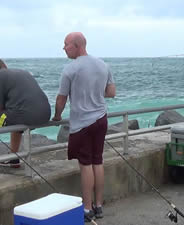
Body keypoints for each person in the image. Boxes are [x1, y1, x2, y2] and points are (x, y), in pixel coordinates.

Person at [52, 32, 116, 222]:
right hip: (101, 119)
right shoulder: (103, 65)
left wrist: (56, 116)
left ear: (78, 45)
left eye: (66, 44)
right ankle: (98, 205)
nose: (64, 48)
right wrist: (95, 92)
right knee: (98, 161)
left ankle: (87, 209)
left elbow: (61, 99)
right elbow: (111, 92)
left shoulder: (70, 69)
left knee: (86, 164)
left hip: (82, 124)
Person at [0, 60, 51, 168]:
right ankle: (14, 158)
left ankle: (13, 158)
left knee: (12, 115)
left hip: (26, 115)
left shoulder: (1, 76)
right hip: (45, 114)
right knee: (13, 116)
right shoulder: (22, 72)